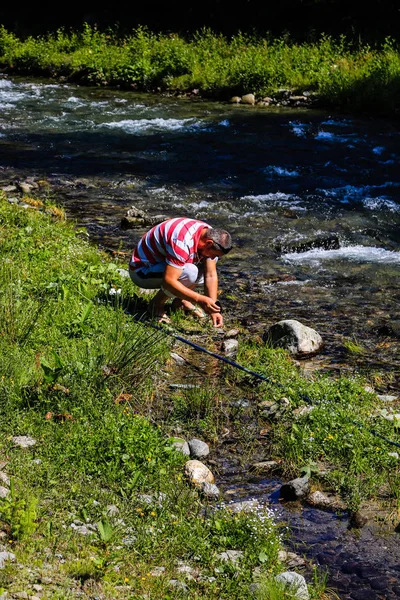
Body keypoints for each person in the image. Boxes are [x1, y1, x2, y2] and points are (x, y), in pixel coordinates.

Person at [129, 217, 232, 328]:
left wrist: (214, 310)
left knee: (202, 270)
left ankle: (180, 302)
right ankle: (156, 305)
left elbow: (210, 275)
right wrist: (198, 299)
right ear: (208, 243)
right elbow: (169, 281)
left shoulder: (208, 234)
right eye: (214, 254)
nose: (214, 258)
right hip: (142, 270)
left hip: (163, 265)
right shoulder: (181, 241)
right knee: (190, 273)